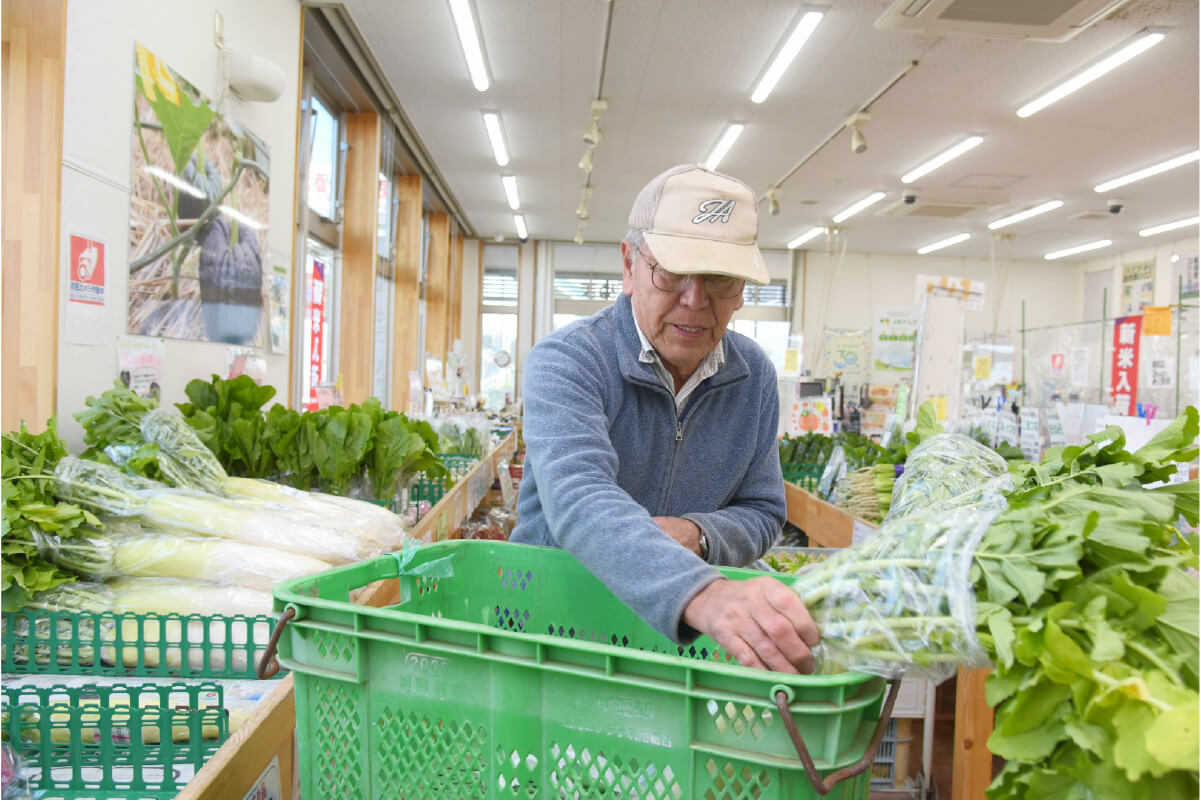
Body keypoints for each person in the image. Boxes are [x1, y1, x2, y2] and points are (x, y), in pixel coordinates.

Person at [510, 164, 819, 673]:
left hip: (678, 654)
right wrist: (706, 593)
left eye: (720, 278)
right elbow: (579, 498)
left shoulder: (754, 377)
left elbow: (764, 511)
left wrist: (698, 535)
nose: (695, 302)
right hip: (554, 633)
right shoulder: (569, 361)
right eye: (672, 272)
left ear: (742, 289)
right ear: (630, 266)